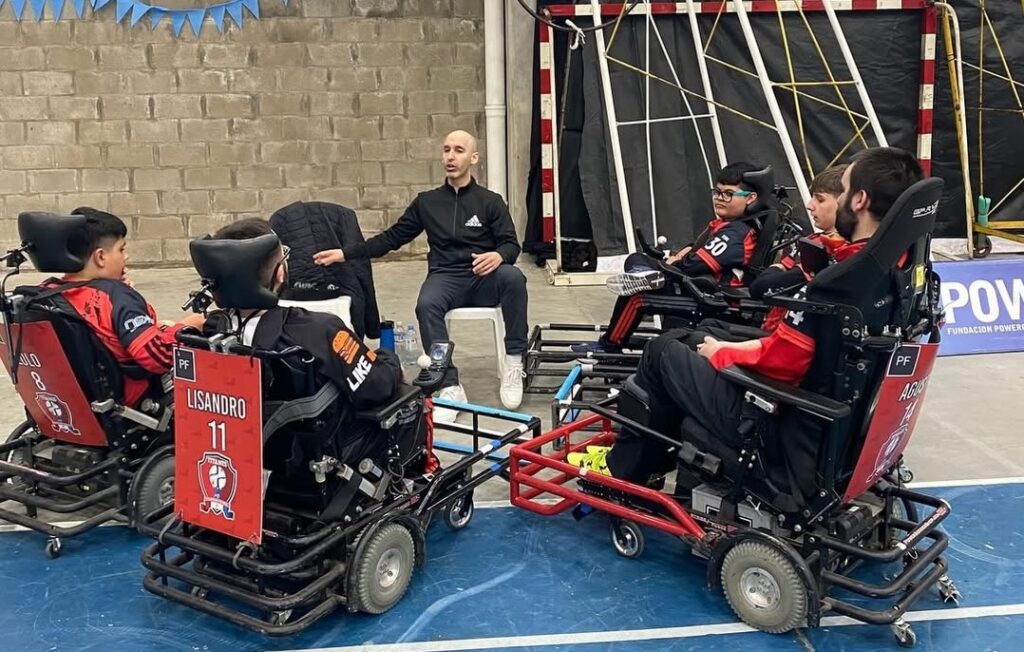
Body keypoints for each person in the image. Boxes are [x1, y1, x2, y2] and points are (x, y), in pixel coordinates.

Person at [568, 147, 925, 484]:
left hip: (776, 417)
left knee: (663, 351)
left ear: (858, 201)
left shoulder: (832, 285)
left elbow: (780, 362)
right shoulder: (898, 270)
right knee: (692, 338)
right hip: (828, 420)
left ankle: (623, 471)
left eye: (841, 191)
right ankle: (658, 454)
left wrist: (720, 353)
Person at [311, 130, 528, 420]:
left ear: (473, 158)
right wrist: (345, 253)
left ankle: (514, 362)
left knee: (513, 277)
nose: (451, 156)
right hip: (445, 277)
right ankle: (449, 384)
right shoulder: (427, 202)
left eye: (459, 150)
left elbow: (512, 244)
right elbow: (392, 238)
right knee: (427, 303)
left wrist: (499, 256)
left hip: (484, 276)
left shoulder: (490, 201)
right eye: (446, 150)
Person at [205, 218, 404, 468]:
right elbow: (376, 387)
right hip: (315, 465)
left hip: (238, 453)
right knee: (408, 400)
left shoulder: (210, 333)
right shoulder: (319, 331)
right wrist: (390, 361)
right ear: (279, 273)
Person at [570, 162, 765, 355]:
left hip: (710, 298)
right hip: (697, 287)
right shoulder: (728, 224)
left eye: (728, 194)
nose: (720, 199)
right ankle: (644, 275)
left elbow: (696, 264)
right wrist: (677, 256)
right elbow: (698, 250)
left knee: (637, 298)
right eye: (717, 192)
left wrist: (674, 263)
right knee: (636, 258)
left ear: (750, 198)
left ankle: (608, 347)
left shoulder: (736, 233)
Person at [36, 207, 203, 408]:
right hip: (128, 403)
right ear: (100, 257)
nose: (126, 257)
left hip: (71, 402)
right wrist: (187, 328)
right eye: (121, 249)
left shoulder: (45, 293)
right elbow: (156, 358)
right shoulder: (115, 297)